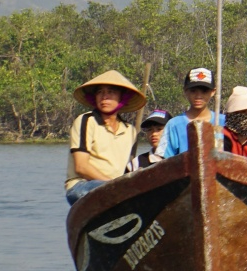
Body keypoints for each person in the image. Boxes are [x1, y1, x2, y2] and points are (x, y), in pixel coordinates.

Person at [64, 70, 145, 204]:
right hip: (82, 187)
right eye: (100, 92)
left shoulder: (129, 130)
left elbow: (128, 171)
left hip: (115, 189)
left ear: (121, 97)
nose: (104, 97)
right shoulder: (86, 121)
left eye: (111, 92)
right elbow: (81, 167)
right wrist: (113, 185)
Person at [158, 67, 219, 159]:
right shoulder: (174, 125)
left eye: (204, 91)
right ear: (186, 91)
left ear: (213, 92)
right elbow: (164, 160)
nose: (198, 96)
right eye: (193, 91)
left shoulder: (223, 122)